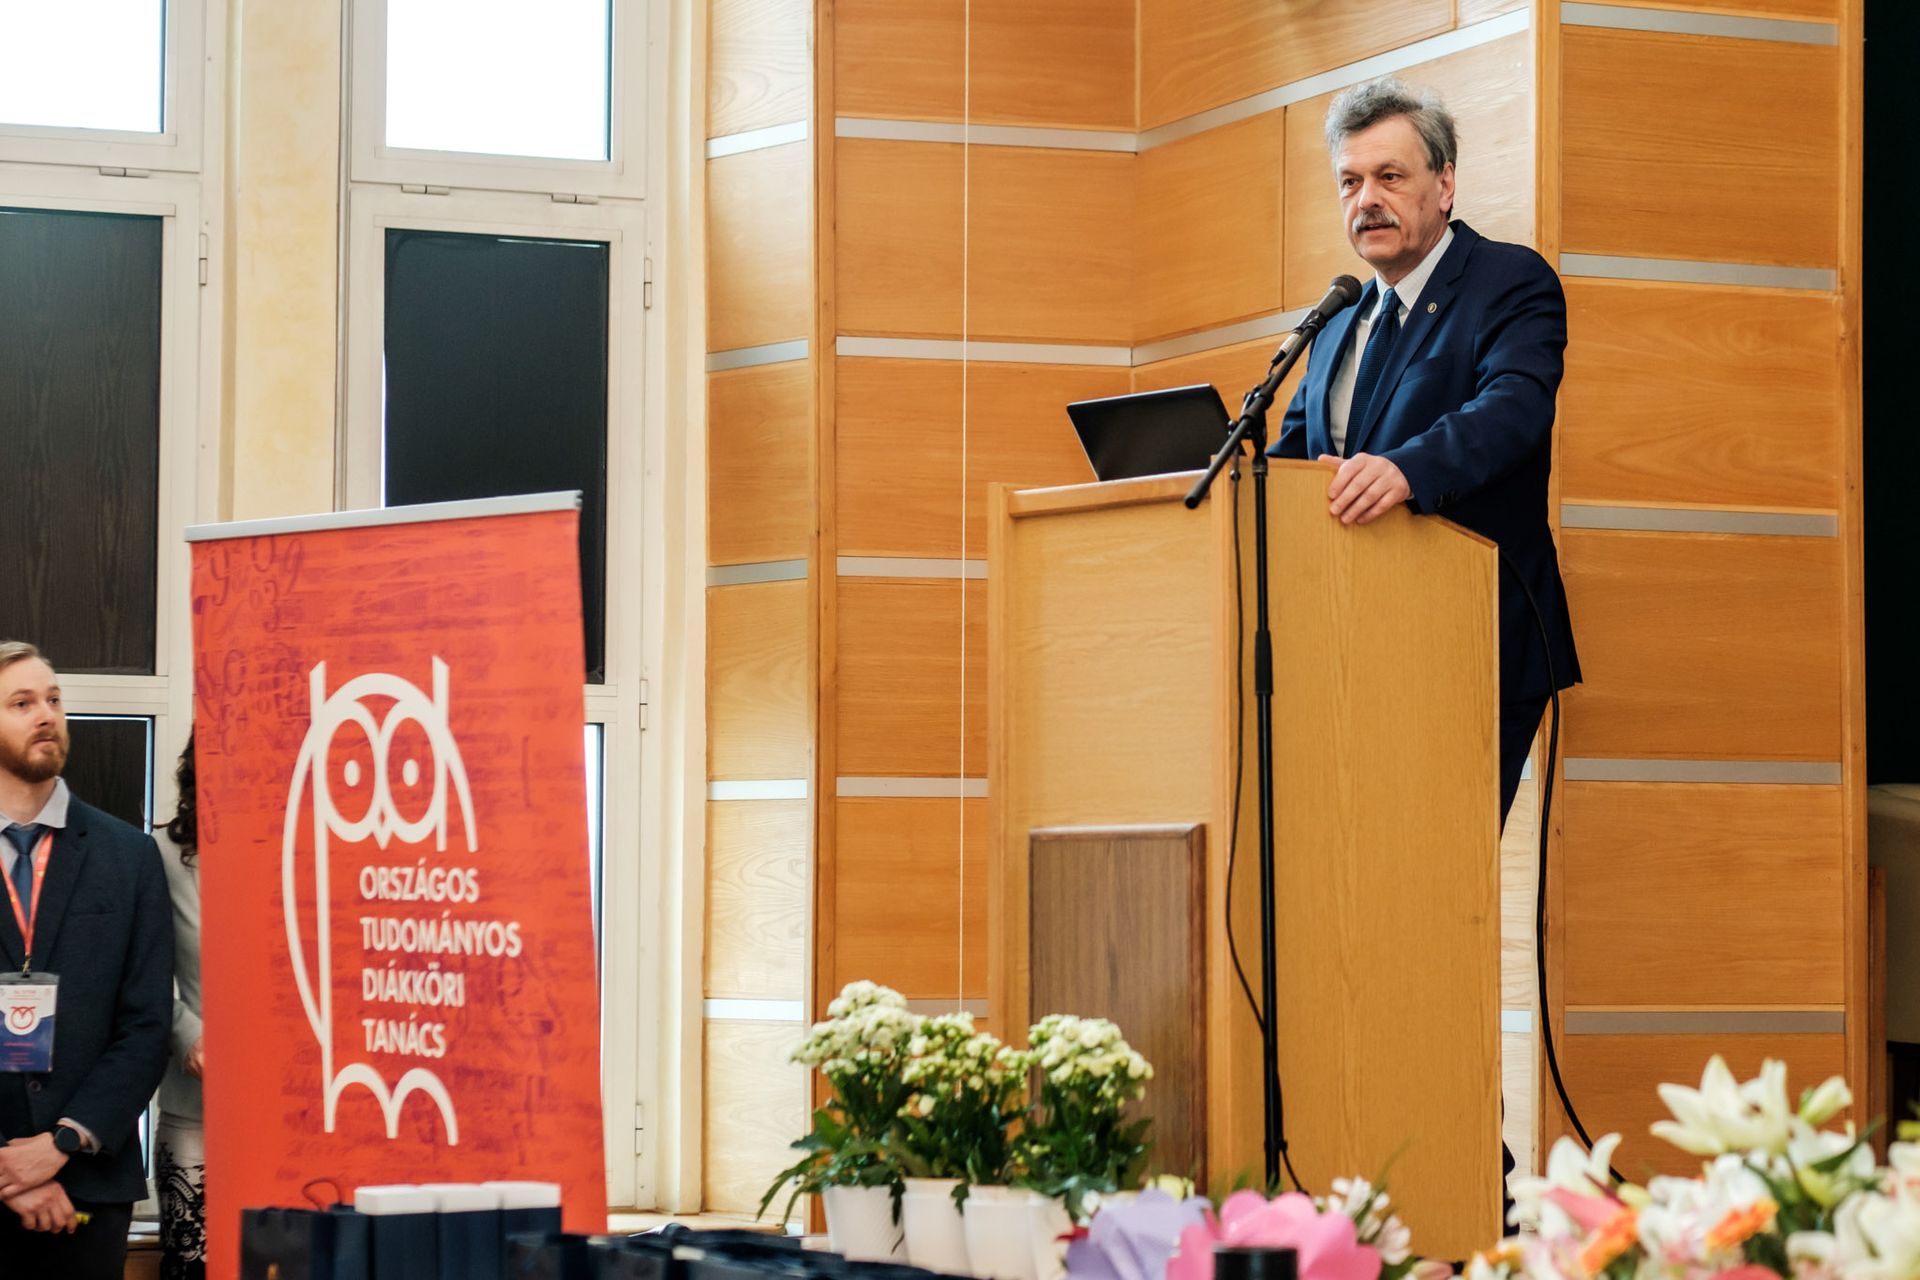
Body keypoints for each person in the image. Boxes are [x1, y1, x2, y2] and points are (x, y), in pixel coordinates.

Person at [1270, 76, 1581, 824]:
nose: (1367, 200)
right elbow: (1291, 463)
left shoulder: (1508, 281)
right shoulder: (1337, 321)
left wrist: (1408, 470)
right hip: (1351, 641)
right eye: (1350, 182)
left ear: (1443, 185)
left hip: (1471, 634)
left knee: (1437, 868)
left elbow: (1514, 408)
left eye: (1390, 177)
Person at [0, 641, 174, 1279]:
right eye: (22, 703)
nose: (46, 714)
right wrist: (10, 1170)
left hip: (90, 1184)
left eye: (53, 699)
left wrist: (61, 1145)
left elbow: (147, 1023)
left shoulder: (128, 855)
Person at [154, 732, 205, 1279]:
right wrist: (186, 1033)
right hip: (196, 1110)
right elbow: (139, 975)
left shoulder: (309, 850)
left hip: (295, 1114)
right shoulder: (161, 854)